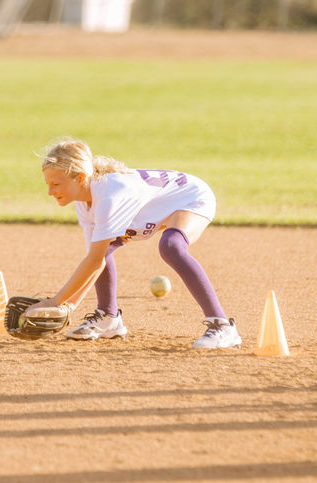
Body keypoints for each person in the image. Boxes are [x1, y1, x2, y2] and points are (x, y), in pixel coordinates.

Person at [31, 138, 241, 349]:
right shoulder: (84, 203)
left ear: (81, 177)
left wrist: (55, 302)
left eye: (56, 184)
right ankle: (108, 318)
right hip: (154, 207)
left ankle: (222, 326)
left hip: (191, 197)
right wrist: (67, 307)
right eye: (48, 184)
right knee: (102, 250)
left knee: (171, 246)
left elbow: (93, 262)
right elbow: (95, 261)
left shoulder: (110, 196)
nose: (50, 192)